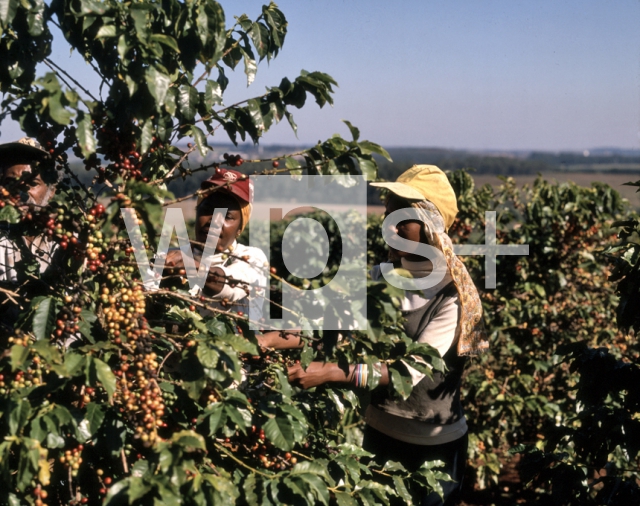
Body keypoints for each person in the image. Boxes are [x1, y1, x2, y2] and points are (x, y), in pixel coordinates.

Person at [285, 165, 488, 505]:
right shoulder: (381, 277)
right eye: (389, 214)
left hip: (433, 448)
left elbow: (408, 370)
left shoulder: (452, 297)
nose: (390, 227)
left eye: (402, 218)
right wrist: (281, 337)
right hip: (379, 435)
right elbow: (335, 330)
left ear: (429, 226)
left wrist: (331, 372)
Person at [163, 168, 268, 321]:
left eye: (227, 216)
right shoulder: (172, 256)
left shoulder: (252, 258)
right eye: (207, 210)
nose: (214, 221)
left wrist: (192, 266)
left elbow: (229, 286)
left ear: (240, 228)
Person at [0, 137, 58, 283]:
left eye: (32, 183)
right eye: (11, 183)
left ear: (51, 191)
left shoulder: (69, 240)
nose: (21, 193)